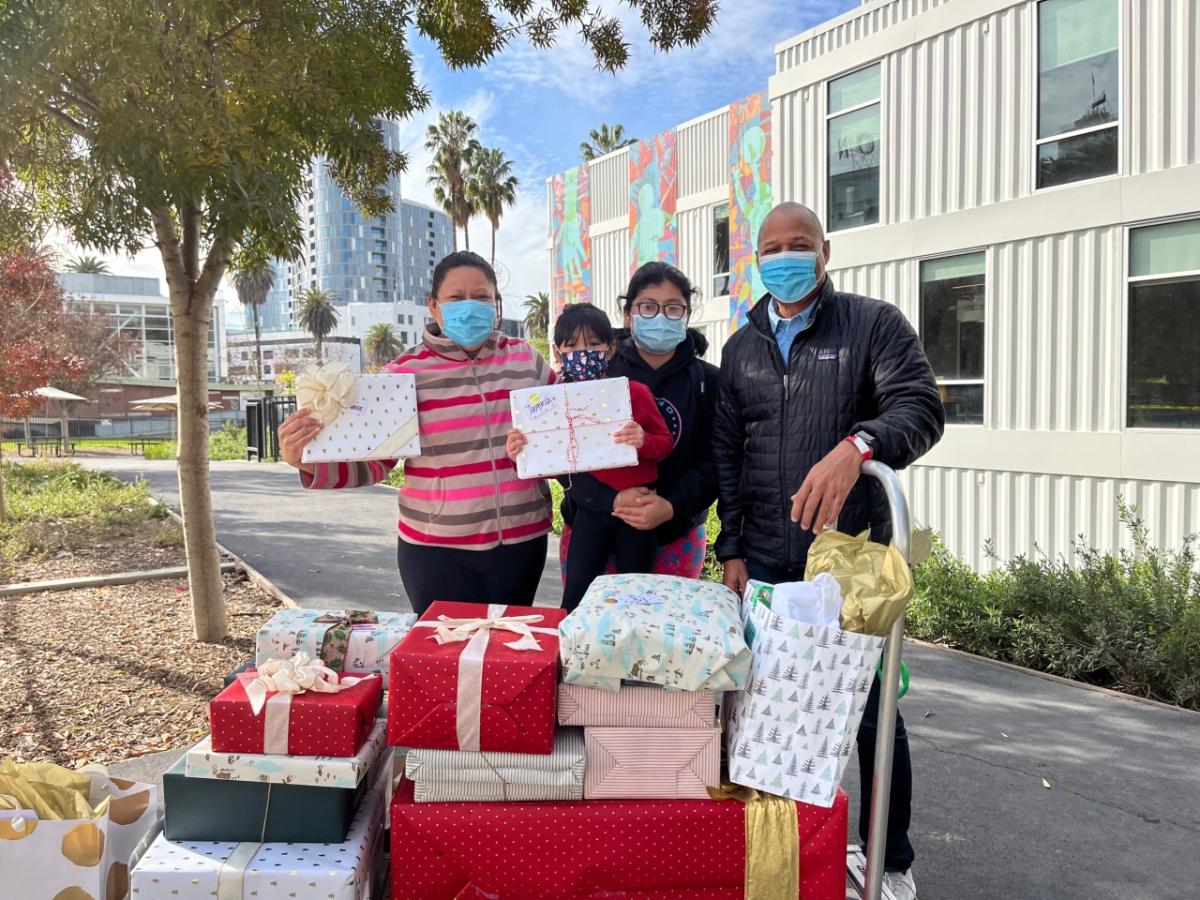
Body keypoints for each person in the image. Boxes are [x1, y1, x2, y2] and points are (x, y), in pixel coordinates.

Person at [712, 202, 945, 900]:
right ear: (756, 257)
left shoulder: (872, 325)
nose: (785, 257)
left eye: (799, 244)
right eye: (771, 247)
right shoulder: (741, 346)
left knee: (870, 713)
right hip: (765, 560)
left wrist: (859, 444)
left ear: (825, 251)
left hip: (851, 563)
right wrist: (731, 545)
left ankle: (888, 861)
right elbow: (728, 451)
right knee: (766, 717)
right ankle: (779, 858)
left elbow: (921, 409)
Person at [277, 251, 554, 616]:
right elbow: (375, 465)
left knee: (508, 659)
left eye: (482, 297)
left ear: (496, 305)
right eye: (456, 297)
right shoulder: (403, 375)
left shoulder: (526, 362)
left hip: (522, 544)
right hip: (435, 553)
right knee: (442, 664)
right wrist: (308, 462)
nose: (470, 306)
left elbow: (561, 439)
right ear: (434, 307)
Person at [558, 262, 721, 581]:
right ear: (628, 314)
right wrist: (610, 500)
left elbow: (717, 462)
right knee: (585, 622)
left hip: (676, 537)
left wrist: (671, 506)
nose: (660, 316)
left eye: (673, 308)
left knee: (658, 628)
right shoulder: (593, 371)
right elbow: (565, 457)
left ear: (686, 316)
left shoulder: (709, 381)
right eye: (648, 306)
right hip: (593, 528)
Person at [507, 303, 673, 611]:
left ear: (610, 349)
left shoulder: (633, 392)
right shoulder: (551, 401)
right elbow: (546, 463)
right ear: (558, 352)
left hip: (639, 512)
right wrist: (519, 453)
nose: (584, 353)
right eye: (572, 345)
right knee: (575, 600)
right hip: (588, 512)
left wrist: (643, 440)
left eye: (594, 343)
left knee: (634, 599)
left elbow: (664, 444)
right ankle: (571, 655)